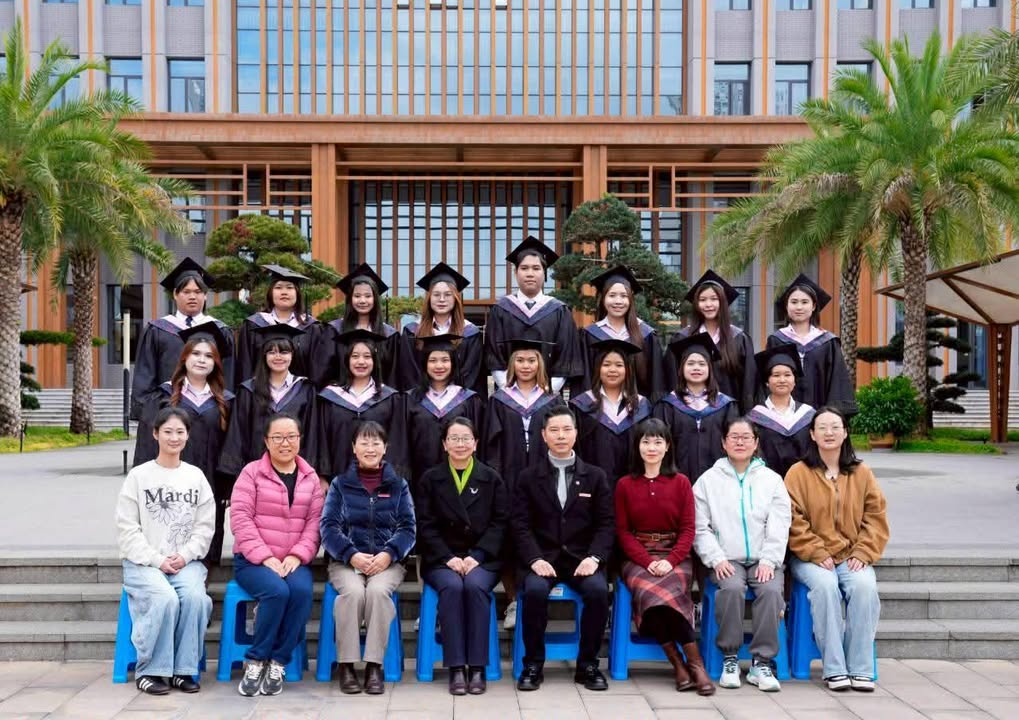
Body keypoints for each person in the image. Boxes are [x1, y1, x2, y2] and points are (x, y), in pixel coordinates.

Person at [785, 407, 889, 692]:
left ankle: (860, 669)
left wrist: (863, 552)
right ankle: (834, 669)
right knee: (826, 588)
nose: (829, 433)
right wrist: (817, 552)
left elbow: (876, 517)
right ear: (812, 434)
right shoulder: (798, 473)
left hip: (852, 555)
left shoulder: (861, 472)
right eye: (822, 428)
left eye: (835, 427)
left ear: (845, 433)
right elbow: (792, 519)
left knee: (865, 587)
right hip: (809, 557)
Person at [511, 406, 614, 692]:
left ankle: (588, 665)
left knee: (597, 592)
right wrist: (534, 558)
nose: (561, 436)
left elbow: (606, 524)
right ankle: (533, 664)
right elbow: (519, 525)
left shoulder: (595, 476)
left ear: (576, 434)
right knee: (534, 591)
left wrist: (594, 557)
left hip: (582, 559)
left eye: (566, 429)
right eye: (554, 430)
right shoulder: (528, 477)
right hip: (543, 559)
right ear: (543, 435)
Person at [115, 407, 214, 695]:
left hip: (186, 562)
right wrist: (157, 560)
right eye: (168, 431)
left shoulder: (195, 477)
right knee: (165, 598)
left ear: (188, 436)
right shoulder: (139, 476)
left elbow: (205, 527)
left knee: (195, 598)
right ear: (155, 434)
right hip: (144, 563)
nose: (174, 437)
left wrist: (185, 555)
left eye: (180, 432)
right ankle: (150, 670)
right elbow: (127, 528)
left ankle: (184, 670)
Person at [615, 417, 714, 696]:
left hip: (675, 555)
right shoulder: (625, 484)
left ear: (667, 446)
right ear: (637, 446)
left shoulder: (681, 482)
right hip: (638, 556)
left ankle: (696, 666)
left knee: (670, 594)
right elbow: (623, 532)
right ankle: (678, 663)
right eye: (646, 441)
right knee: (651, 596)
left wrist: (670, 560)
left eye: (658, 442)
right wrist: (648, 561)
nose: (651, 447)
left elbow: (688, 529)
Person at [693, 417, 791, 693]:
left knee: (770, 592)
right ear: (723, 443)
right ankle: (730, 658)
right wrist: (716, 558)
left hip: (764, 558)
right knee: (732, 588)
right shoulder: (708, 481)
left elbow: (780, 523)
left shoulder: (771, 480)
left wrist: (769, 560)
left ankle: (762, 662)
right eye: (733, 437)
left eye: (746, 437)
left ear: (756, 443)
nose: (740, 442)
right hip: (727, 558)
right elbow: (700, 526)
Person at [230, 414, 324, 698]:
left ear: (300, 439)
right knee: (277, 592)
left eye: (291, 437)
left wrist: (298, 555)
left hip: (293, 560)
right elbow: (240, 518)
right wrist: (264, 557)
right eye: (278, 437)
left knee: (301, 592)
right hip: (253, 560)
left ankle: (278, 662)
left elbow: (315, 523)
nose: (285, 443)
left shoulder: (310, 477)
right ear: (266, 441)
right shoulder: (251, 473)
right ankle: (256, 660)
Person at [320, 421, 416, 696]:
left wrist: (388, 554)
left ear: (385, 448)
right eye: (364, 442)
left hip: (387, 564)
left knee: (376, 592)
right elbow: (328, 527)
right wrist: (351, 555)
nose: (370, 448)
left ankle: (375, 666)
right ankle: (347, 665)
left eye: (376, 443)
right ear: (354, 448)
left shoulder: (398, 485)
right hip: (345, 562)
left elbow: (408, 528)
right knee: (352, 593)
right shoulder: (340, 484)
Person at [415, 416, 507, 696]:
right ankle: (456, 667)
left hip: (483, 558)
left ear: (476, 443)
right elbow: (425, 525)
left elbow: (500, 522)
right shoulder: (430, 479)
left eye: (466, 438)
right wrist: (447, 557)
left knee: (475, 586)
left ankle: (477, 667)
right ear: (444, 444)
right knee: (453, 587)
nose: (460, 444)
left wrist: (478, 555)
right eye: (454, 438)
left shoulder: (491, 478)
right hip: (441, 559)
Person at [132, 322, 234, 564]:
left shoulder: (227, 401)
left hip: (211, 480)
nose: (201, 360)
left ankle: (200, 574)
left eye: (208, 356)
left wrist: (229, 484)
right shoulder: (163, 397)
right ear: (185, 358)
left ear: (216, 362)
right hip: (168, 482)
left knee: (204, 535)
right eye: (196, 353)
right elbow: (147, 443)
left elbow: (232, 445)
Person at [482, 338, 561, 630]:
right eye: (520, 360)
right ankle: (514, 599)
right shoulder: (499, 400)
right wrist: (496, 482)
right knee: (508, 538)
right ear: (511, 365)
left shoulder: (552, 401)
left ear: (540, 364)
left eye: (531, 360)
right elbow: (491, 445)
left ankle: (536, 598)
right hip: (508, 479)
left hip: (545, 481)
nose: (525, 366)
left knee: (542, 535)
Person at [131, 258, 235, 420]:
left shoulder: (220, 331)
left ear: (205, 295)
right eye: (186, 292)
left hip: (209, 415)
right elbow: (145, 377)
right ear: (175, 294)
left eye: (198, 292)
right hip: (167, 413)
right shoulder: (157, 330)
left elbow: (228, 375)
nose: (192, 296)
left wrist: (226, 413)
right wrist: (149, 416)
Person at [305, 329, 409, 486]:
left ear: (374, 361)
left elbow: (397, 442)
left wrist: (392, 478)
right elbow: (321, 439)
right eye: (355, 356)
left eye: (367, 356)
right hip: (337, 479)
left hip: (379, 482)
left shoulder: (390, 398)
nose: (361, 362)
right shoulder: (330, 397)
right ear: (347, 360)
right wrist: (322, 476)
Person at [218, 324, 317, 486]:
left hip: (294, 472)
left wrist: (309, 471)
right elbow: (238, 432)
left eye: (284, 352)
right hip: (255, 472)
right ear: (264, 355)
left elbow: (312, 433)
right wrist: (238, 475)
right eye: (271, 352)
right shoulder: (249, 390)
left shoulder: (305, 389)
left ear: (292, 354)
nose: (278, 357)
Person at [483, 236, 583, 394]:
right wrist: (510, 390)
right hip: (508, 397)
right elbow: (494, 357)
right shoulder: (501, 310)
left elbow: (565, 358)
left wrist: (546, 391)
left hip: (548, 396)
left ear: (544, 273)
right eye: (524, 268)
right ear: (516, 272)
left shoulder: (559, 311)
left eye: (536, 268)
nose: (530, 273)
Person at [653, 332, 739, 484]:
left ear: (710, 368)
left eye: (702, 364)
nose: (696, 368)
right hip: (675, 482)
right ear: (681, 368)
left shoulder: (726, 405)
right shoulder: (667, 405)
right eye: (690, 363)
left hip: (719, 483)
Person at [767, 274, 857, 416]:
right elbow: (768, 378)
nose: (799, 307)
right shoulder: (776, 340)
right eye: (794, 302)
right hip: (783, 415)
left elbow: (836, 381)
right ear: (787, 305)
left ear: (814, 306)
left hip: (821, 415)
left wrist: (831, 415)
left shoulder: (828, 342)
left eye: (804, 302)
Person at [666, 270, 756, 413]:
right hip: (689, 416)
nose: (708, 304)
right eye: (702, 300)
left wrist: (744, 418)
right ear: (696, 304)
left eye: (714, 299)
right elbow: (672, 379)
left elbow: (748, 384)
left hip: (730, 415)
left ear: (723, 302)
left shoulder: (739, 339)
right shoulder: (682, 338)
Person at [572, 265, 665, 400]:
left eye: (624, 296)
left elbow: (657, 383)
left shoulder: (647, 335)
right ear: (603, 298)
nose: (618, 301)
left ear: (630, 300)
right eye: (612, 295)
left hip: (639, 409)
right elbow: (584, 382)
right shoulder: (589, 335)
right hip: (598, 409)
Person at [569, 338, 652, 486]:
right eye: (606, 364)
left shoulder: (641, 406)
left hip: (635, 485)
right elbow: (577, 449)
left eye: (619, 365)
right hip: (593, 486)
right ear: (598, 368)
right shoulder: (582, 405)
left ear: (627, 369)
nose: (612, 370)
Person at [405, 335, 485, 487]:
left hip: (461, 477)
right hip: (419, 478)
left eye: (445, 360)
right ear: (424, 364)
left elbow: (477, 441)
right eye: (432, 360)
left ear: (453, 363)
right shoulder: (410, 399)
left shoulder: (468, 399)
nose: (439, 366)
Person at [397, 263, 486, 395]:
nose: (442, 299)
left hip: (459, 402)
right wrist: (427, 400)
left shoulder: (470, 332)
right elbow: (409, 372)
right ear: (429, 298)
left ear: (455, 298)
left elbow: (471, 375)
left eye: (448, 295)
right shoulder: (412, 331)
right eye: (436, 294)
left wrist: (450, 400)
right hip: (420, 402)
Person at [233, 265, 322, 388]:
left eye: (290, 287)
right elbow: (245, 367)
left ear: (297, 293)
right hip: (259, 394)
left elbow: (316, 371)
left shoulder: (312, 328)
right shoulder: (253, 325)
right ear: (271, 293)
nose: (284, 292)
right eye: (278, 287)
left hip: (301, 396)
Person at [324, 264, 402, 388]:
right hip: (341, 396)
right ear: (350, 299)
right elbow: (325, 371)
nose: (362, 301)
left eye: (368, 296)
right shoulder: (334, 330)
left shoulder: (389, 334)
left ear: (375, 299)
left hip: (380, 397)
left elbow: (393, 375)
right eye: (357, 296)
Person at [747, 344, 817, 479]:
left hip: (803, 481)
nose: (782, 380)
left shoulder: (809, 415)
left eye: (787, 375)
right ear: (767, 382)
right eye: (776, 375)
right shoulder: (754, 418)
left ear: (794, 381)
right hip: (766, 482)